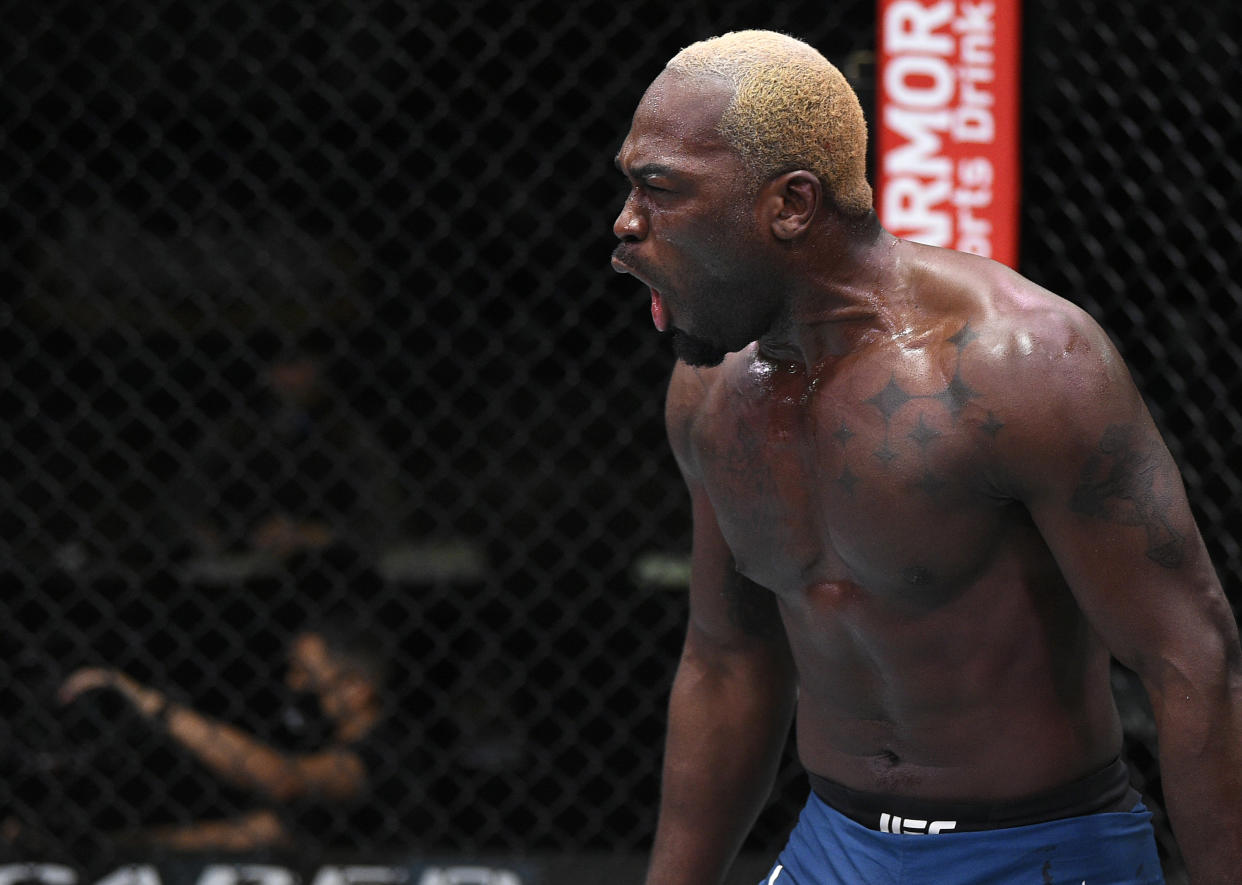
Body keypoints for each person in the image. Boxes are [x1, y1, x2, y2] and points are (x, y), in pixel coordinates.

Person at [610, 30, 1242, 885]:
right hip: (832, 847)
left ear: (791, 204)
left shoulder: (1022, 370)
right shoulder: (714, 393)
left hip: (1043, 851)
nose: (628, 223)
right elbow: (728, 661)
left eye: (662, 189)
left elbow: (1192, 659)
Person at [58, 618, 392, 853]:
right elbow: (244, 835)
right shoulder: (323, 755)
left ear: (356, 688)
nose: (293, 684)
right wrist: (100, 845)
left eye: (304, 672)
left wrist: (152, 703)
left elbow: (280, 777)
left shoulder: (386, 751)